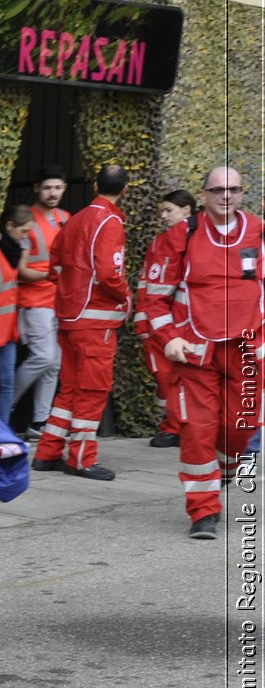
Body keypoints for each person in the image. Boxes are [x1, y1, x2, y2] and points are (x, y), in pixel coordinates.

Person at [141, 165, 264, 539]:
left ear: (243, 193)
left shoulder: (259, 232)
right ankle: (203, 511)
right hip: (195, 351)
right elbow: (153, 297)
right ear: (204, 194)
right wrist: (169, 339)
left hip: (246, 349)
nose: (225, 196)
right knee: (197, 430)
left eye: (233, 189)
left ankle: (225, 471)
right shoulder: (180, 235)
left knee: (239, 431)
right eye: (217, 190)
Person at [29, 164, 131, 481]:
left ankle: (47, 453)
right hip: (96, 322)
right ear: (124, 190)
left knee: (70, 389)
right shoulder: (111, 221)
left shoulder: (74, 220)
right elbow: (109, 273)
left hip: (70, 317)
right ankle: (82, 459)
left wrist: (71, 295)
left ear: (95, 185)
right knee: (92, 390)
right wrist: (126, 298)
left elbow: (54, 264)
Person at [133, 189, 198, 448]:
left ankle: (177, 427)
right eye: (163, 210)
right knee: (166, 376)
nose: (163, 216)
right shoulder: (162, 240)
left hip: (172, 320)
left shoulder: (184, 236)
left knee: (173, 375)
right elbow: (147, 279)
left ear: (187, 211)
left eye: (169, 210)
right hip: (161, 318)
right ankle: (174, 425)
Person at [13, 165, 72, 438]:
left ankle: (40, 421)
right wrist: (50, 275)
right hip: (33, 300)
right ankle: (6, 405)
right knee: (45, 357)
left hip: (57, 301)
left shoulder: (65, 218)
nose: (52, 193)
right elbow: (20, 269)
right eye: (47, 187)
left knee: (55, 363)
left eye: (58, 187)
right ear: (37, 188)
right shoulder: (27, 218)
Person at [0, 204, 34, 424]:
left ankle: (1, 434)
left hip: (8, 330)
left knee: (6, 383)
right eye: (23, 231)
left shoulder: (15, 251)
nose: (26, 236)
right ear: (9, 226)